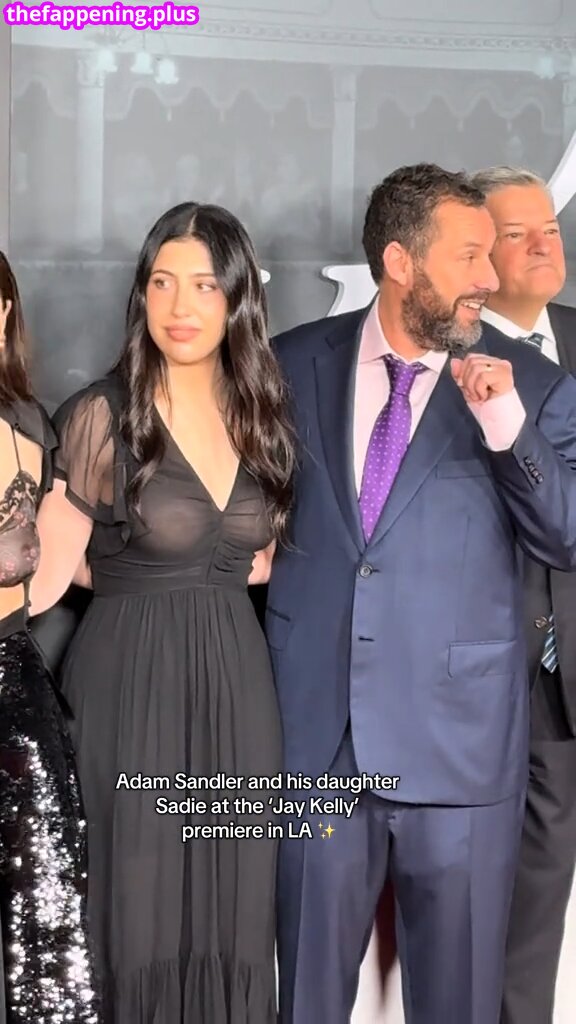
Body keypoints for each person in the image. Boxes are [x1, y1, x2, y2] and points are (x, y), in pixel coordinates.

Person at [266, 163, 576, 1024]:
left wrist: (506, 426)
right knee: (306, 1001)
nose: (490, 277)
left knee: (458, 1004)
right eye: (469, 255)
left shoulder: (533, 385)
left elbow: (566, 536)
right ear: (400, 262)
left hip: (461, 753)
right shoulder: (291, 364)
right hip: (318, 743)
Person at [29, 203, 295, 1022]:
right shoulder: (102, 415)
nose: (181, 306)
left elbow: (259, 561)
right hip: (130, 688)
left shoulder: (264, 416)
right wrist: (131, 575)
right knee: (136, 913)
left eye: (205, 286)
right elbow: (44, 577)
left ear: (238, 298)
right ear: (141, 295)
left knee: (233, 913)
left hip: (238, 693)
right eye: (162, 283)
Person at [469, 164, 576, 1024]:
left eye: (552, 228)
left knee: (539, 924)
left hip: (569, 675)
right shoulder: (447, 356)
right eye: (518, 234)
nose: (545, 245)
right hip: (497, 676)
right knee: (489, 926)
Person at [0, 251, 99, 1022]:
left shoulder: (30, 424)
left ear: (5, 312)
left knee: (45, 912)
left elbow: (48, 574)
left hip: (13, 685)